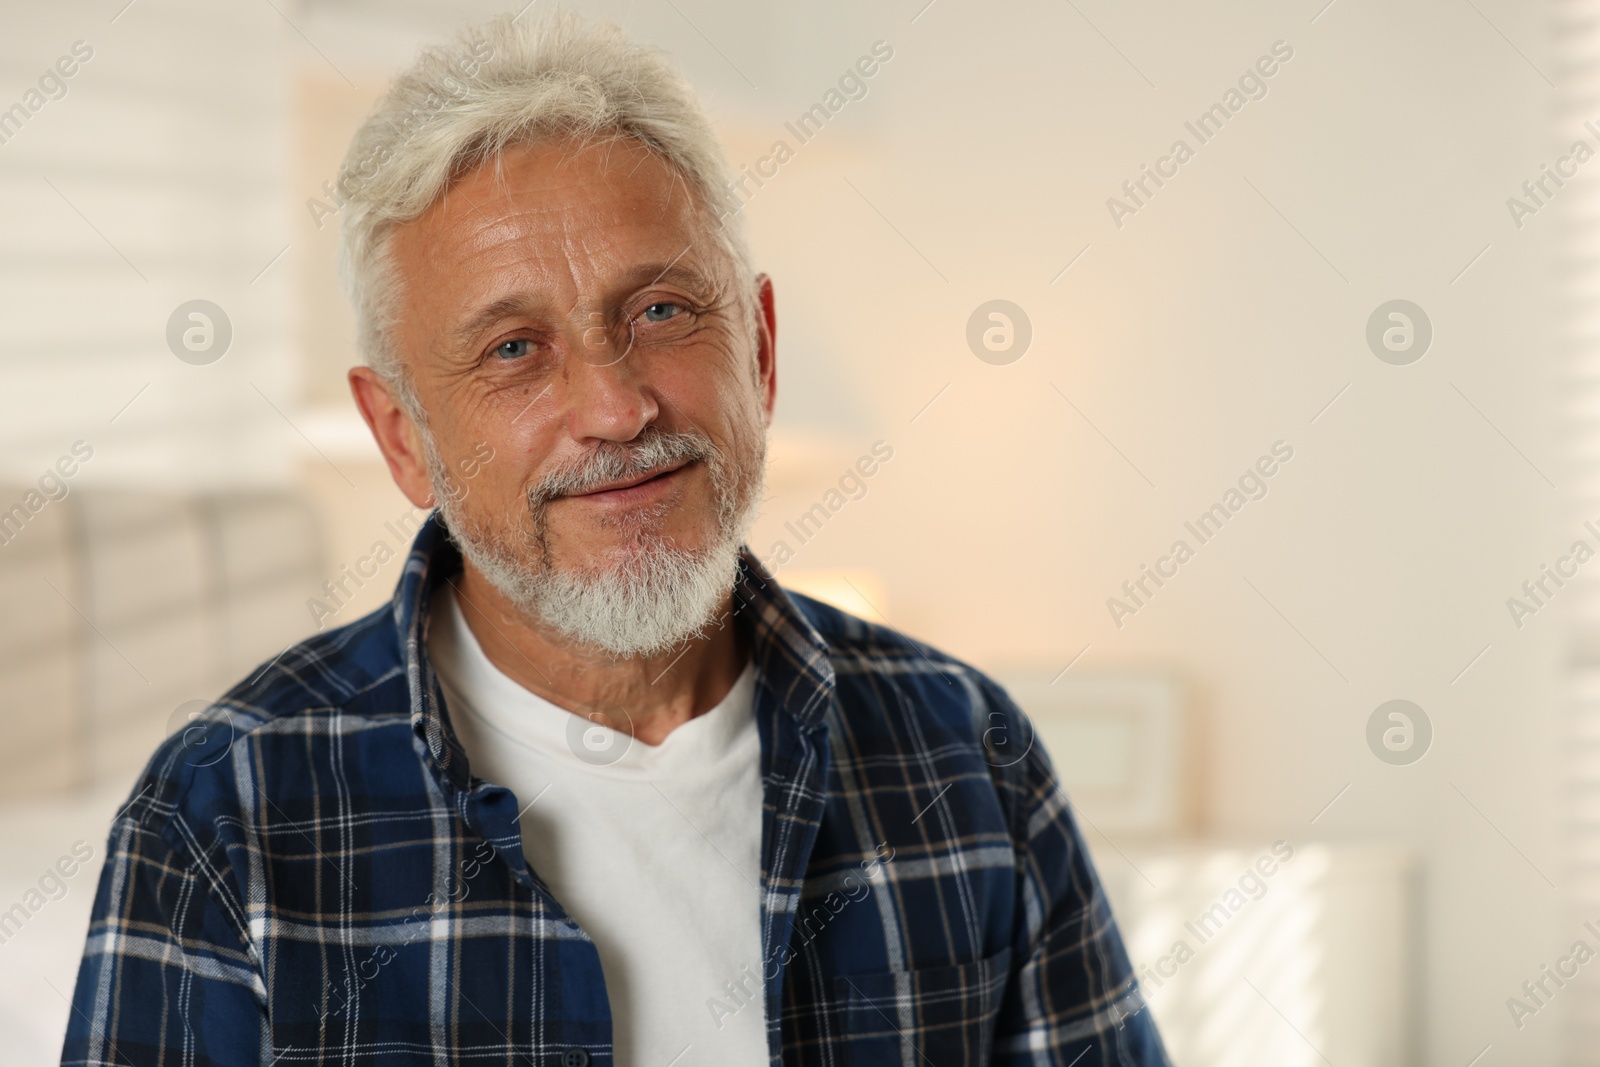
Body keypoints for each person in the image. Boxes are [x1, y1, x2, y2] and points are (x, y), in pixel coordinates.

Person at [63, 12, 1168, 1066]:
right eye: (511, 349)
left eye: (661, 313)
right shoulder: (222, 813)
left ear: (761, 350)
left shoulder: (967, 752)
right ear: (403, 438)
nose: (616, 406)